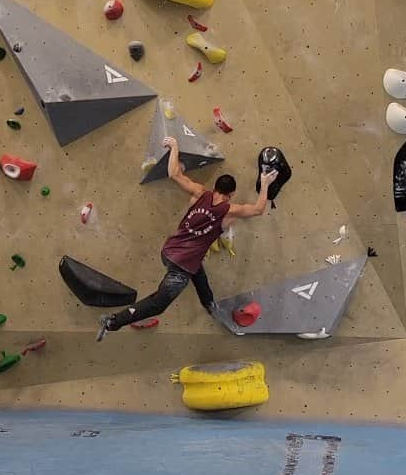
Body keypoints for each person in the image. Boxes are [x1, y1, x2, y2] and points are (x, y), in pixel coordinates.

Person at [97, 136, 278, 340]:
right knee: (158, 304)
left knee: (198, 269)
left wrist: (174, 146)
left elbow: (174, 173)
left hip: (169, 251)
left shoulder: (200, 192)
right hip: (180, 269)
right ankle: (114, 321)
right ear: (231, 194)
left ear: (215, 188)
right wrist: (265, 183)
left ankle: (208, 302)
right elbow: (257, 209)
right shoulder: (229, 211)